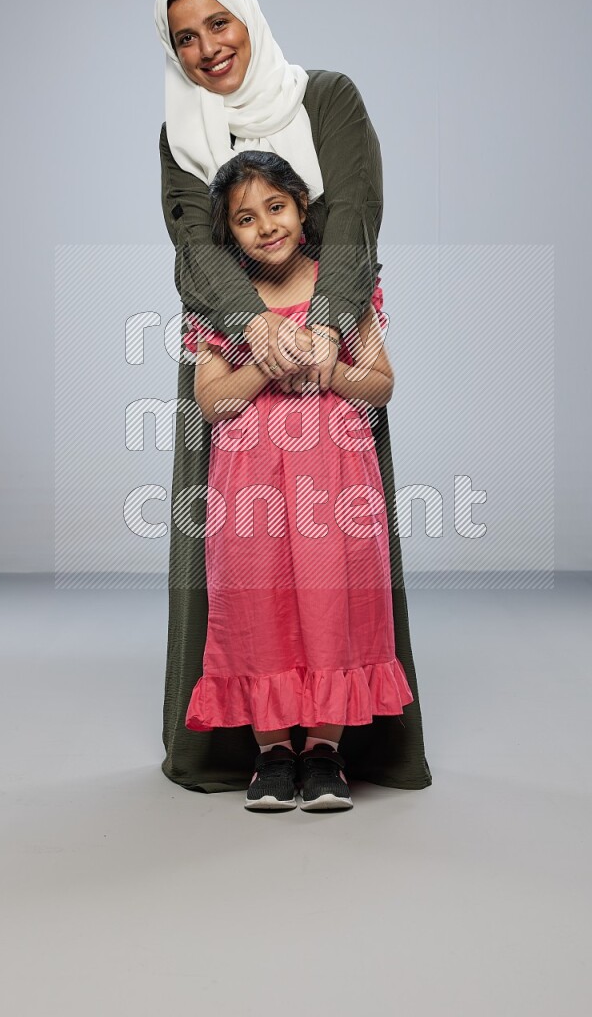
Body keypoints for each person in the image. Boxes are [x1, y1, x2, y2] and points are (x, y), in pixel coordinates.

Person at [154, 0, 432, 795]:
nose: (207, 48)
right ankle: (250, 748)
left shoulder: (327, 98)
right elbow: (195, 246)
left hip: (327, 344)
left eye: (218, 23)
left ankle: (341, 746)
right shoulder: (178, 129)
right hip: (236, 353)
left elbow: (352, 214)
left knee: (333, 565)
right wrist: (251, 328)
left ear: (249, 17)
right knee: (242, 565)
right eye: (185, 39)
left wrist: (322, 326)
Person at [182, 150, 415, 811]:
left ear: (302, 207)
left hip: (334, 476)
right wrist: (262, 362)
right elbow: (211, 400)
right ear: (231, 234)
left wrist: (328, 364)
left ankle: (323, 751)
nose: (266, 226)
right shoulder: (226, 303)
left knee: (330, 597)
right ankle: (272, 754)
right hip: (250, 480)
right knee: (258, 602)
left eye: (276, 207)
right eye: (246, 219)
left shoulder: (340, 286)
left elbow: (383, 384)